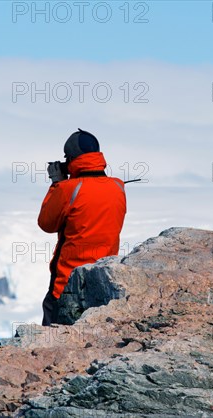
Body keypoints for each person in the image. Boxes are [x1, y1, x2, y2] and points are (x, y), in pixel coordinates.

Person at [38, 129, 127, 326]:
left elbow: (47, 224)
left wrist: (56, 184)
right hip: (104, 278)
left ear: (71, 159)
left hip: (67, 282)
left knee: (53, 333)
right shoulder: (118, 187)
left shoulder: (68, 189)